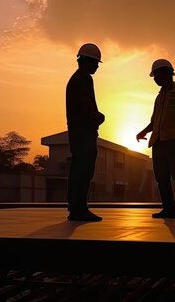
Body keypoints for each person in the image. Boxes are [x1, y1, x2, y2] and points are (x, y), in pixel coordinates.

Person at [136, 59, 175, 219]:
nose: (155, 79)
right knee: (161, 178)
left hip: (174, 141)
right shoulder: (159, 97)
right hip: (158, 142)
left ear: (166, 73)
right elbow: (154, 121)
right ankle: (168, 208)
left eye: (156, 75)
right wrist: (142, 132)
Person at [65, 43, 105, 221]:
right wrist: (98, 116)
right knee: (83, 169)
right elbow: (84, 103)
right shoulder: (83, 79)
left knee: (79, 168)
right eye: (95, 63)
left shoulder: (78, 78)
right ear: (87, 61)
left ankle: (76, 207)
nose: (97, 66)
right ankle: (79, 208)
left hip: (79, 131)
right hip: (83, 131)